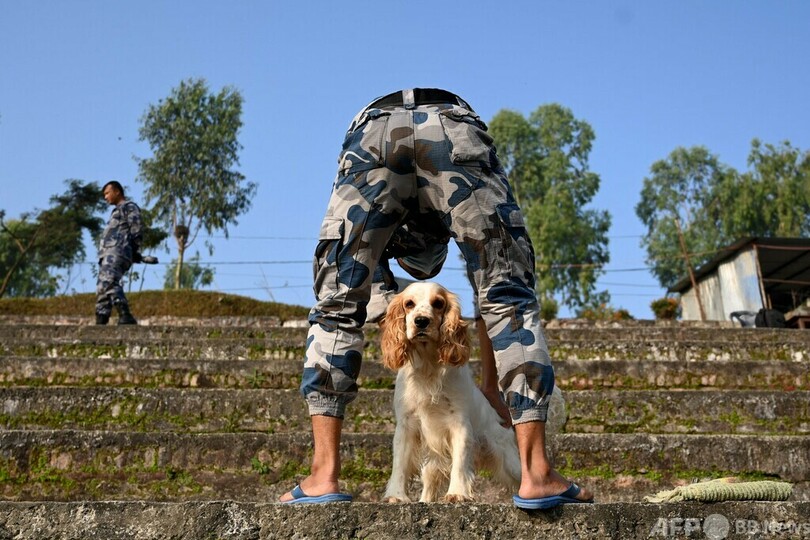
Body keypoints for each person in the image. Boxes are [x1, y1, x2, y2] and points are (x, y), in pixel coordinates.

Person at [280, 88, 593, 507]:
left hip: (373, 132)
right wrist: (490, 386)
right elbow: (494, 298)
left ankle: (323, 474)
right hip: (452, 128)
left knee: (337, 306)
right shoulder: (438, 235)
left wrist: (484, 385)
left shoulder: (388, 254)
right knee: (508, 295)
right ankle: (535, 473)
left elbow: (363, 308)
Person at [95, 181, 142, 325]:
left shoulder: (129, 207)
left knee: (109, 281)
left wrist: (134, 250)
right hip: (107, 254)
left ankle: (125, 314)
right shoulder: (115, 212)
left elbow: (136, 229)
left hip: (118, 251)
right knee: (102, 288)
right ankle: (101, 321)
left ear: (117, 192)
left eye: (107, 193)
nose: (105, 197)